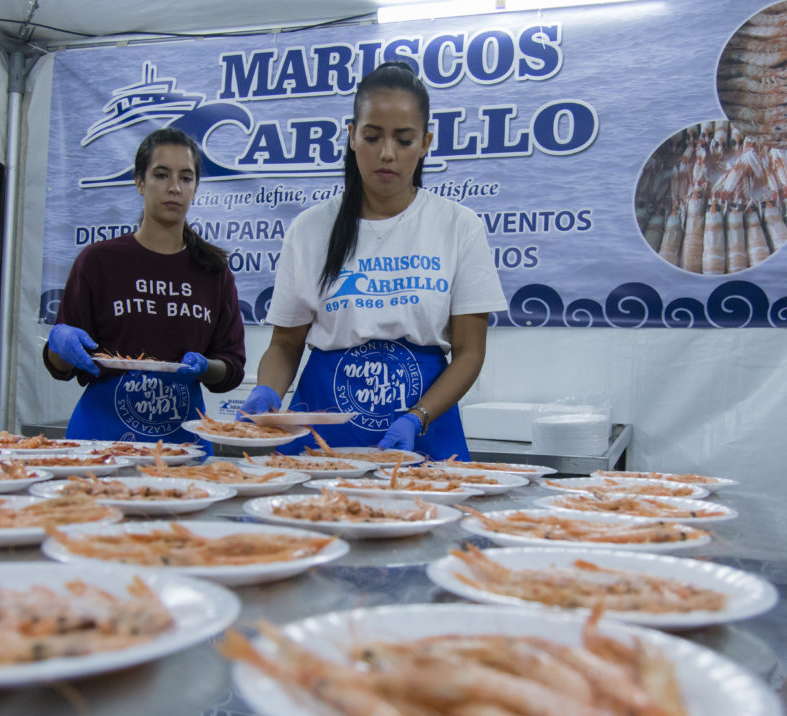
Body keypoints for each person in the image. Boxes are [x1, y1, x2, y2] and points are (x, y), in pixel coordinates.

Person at [241, 61, 506, 460]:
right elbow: (284, 344)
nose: (386, 153)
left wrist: (418, 416)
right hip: (324, 435)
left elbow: (470, 352)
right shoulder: (309, 228)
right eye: (371, 136)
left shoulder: (458, 225)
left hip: (423, 428)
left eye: (404, 140)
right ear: (351, 136)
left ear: (426, 143)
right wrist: (267, 390)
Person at [43, 128, 246, 451]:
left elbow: (231, 368)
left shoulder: (214, 272)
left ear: (195, 189)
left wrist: (206, 367)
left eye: (186, 178)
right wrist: (59, 342)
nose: (174, 187)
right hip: (100, 442)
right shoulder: (98, 261)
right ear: (139, 182)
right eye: (161, 175)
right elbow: (60, 366)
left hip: (183, 447)